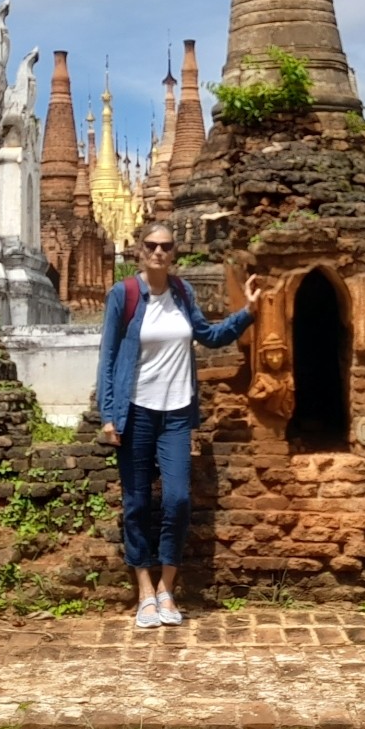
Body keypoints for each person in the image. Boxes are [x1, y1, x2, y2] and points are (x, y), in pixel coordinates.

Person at [96, 221, 261, 628]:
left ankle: (167, 586)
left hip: (175, 414)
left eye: (166, 247)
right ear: (139, 250)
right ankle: (144, 590)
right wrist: (108, 414)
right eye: (151, 246)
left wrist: (248, 313)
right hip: (135, 412)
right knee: (136, 503)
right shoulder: (125, 294)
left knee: (177, 500)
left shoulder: (183, 294)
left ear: (174, 253)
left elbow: (209, 335)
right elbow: (108, 356)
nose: (158, 253)